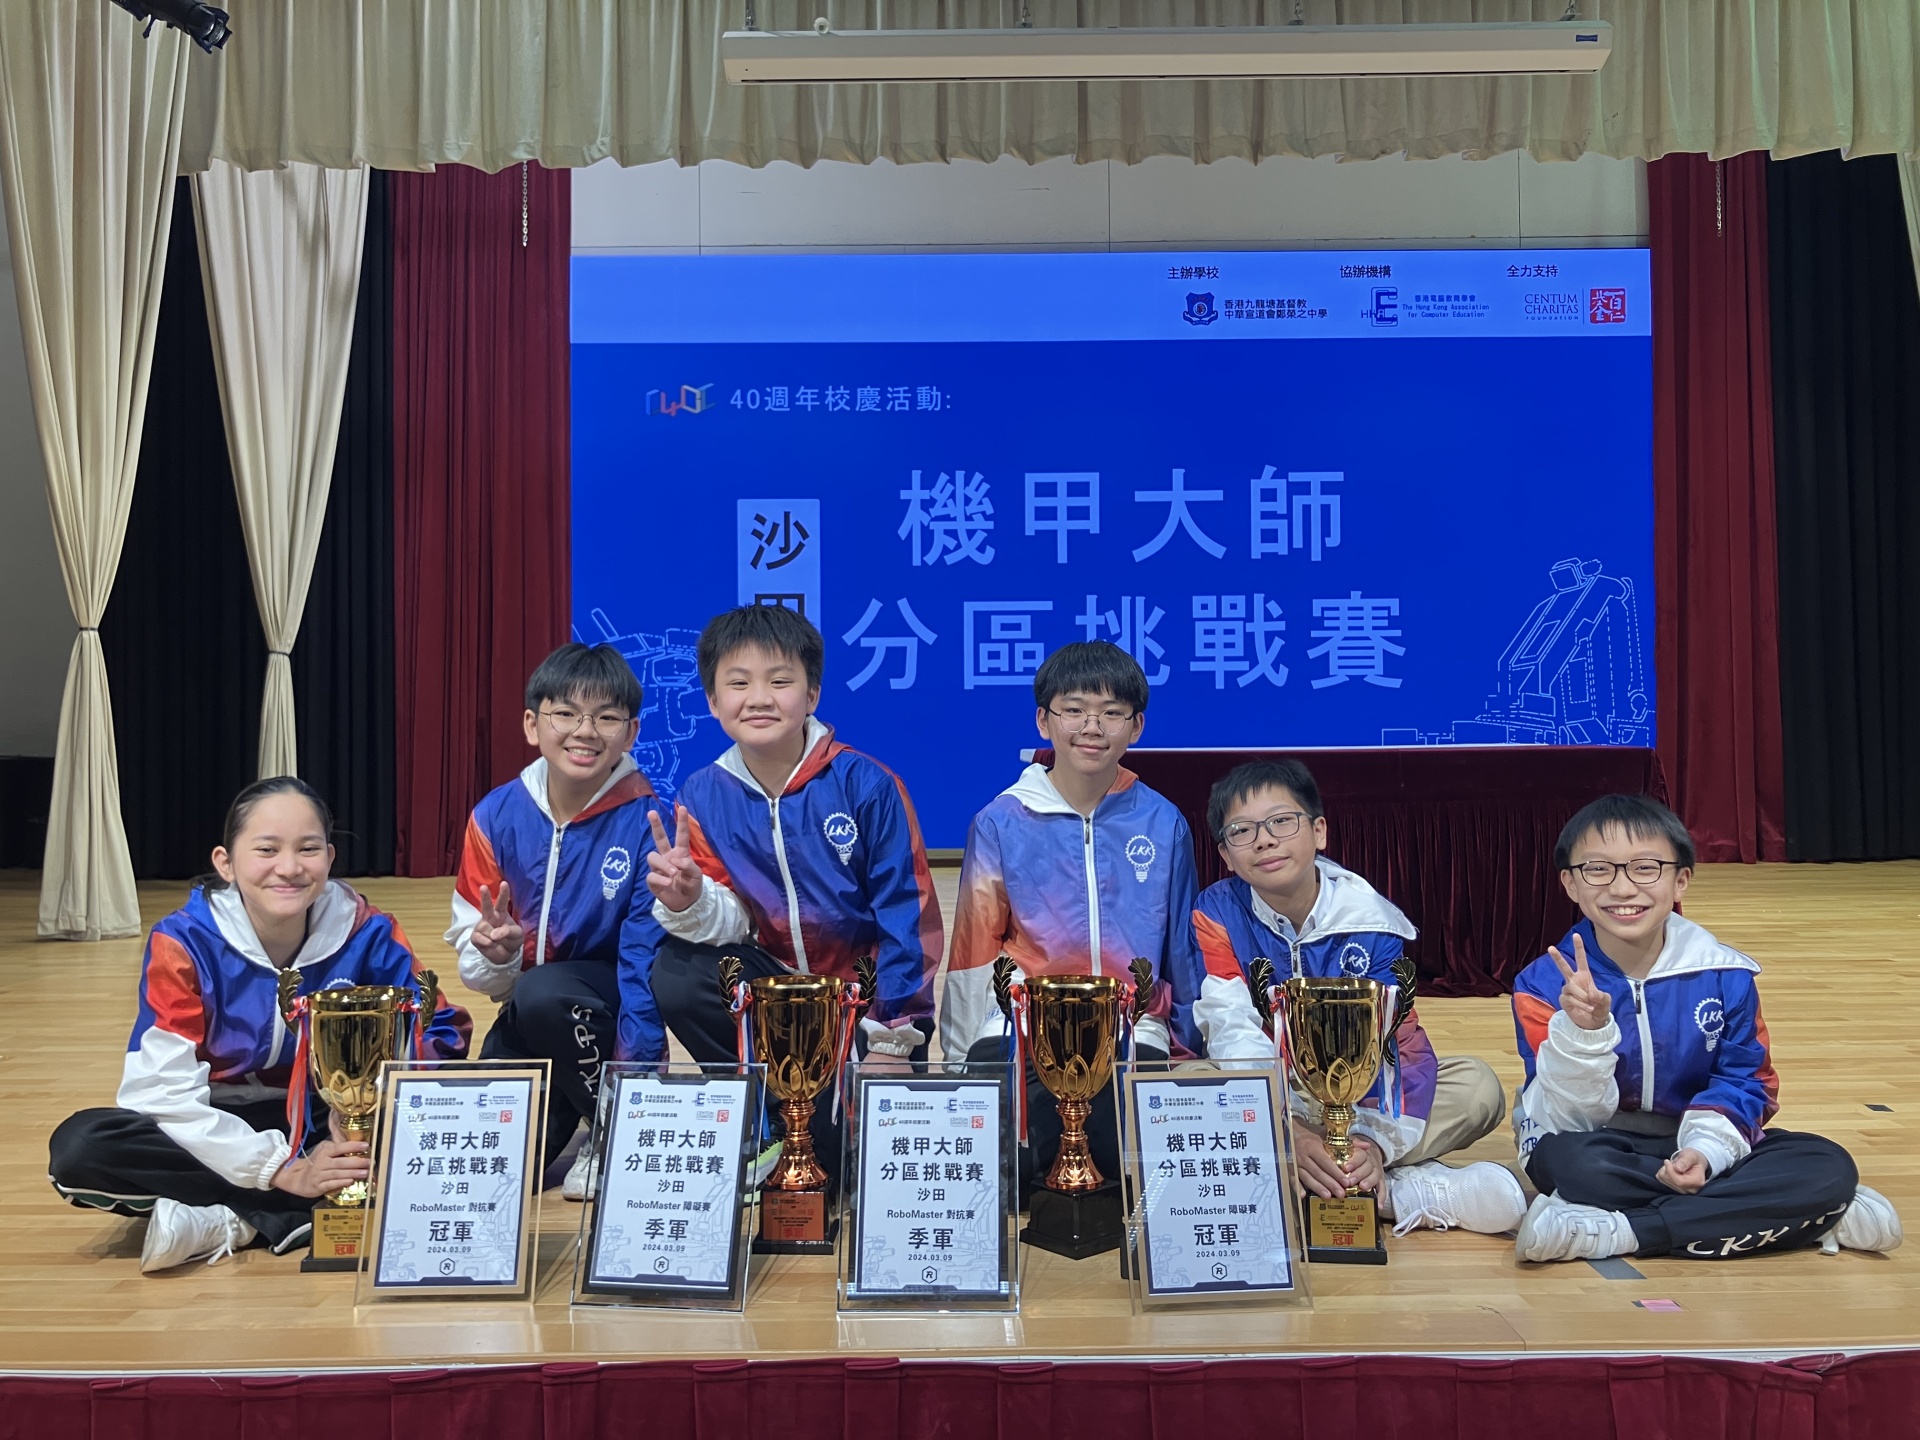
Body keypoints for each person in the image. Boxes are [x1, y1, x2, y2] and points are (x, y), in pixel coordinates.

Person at [48, 777, 471, 1272]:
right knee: (82, 1147)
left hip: (322, 1122)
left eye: (308, 849)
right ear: (225, 862)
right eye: (267, 850)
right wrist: (279, 1169)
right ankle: (278, 1214)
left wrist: (367, 1113)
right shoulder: (184, 942)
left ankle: (230, 1217)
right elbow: (160, 1092)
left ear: (330, 857)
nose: (289, 868)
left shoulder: (369, 934)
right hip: (213, 1121)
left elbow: (441, 1029)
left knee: (457, 1138)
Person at [1511, 793, 1901, 1262]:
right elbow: (1565, 1116)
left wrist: (1705, 1152)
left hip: (1696, 1136)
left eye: (1645, 868)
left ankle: (1623, 1231)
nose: (1622, 888)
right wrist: (1586, 1033)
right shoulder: (1542, 984)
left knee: (1827, 1163)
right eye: (1598, 869)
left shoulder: (1725, 974)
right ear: (1570, 884)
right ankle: (1802, 1217)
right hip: (1602, 1144)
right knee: (1572, 1164)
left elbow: (1746, 1081)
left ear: (1681, 880)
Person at [638, 604, 943, 1177]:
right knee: (677, 971)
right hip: (778, 1001)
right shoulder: (703, 793)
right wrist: (691, 900)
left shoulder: (865, 784)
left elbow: (909, 915)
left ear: (812, 695)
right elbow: (732, 920)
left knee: (846, 1170)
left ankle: (821, 1119)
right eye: (738, 683)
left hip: (863, 1010)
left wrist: (891, 1039)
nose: (759, 699)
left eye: (779, 681)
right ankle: (775, 1119)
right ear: (712, 701)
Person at [1191, 760, 1524, 1236]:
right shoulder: (1216, 912)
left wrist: (1371, 1143)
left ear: (1319, 831)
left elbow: (1398, 1046)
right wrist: (1287, 1132)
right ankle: (1397, 1193)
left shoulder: (1370, 919)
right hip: (1270, 1099)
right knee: (1189, 1086)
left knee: (1478, 1088)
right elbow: (1230, 1027)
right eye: (1242, 831)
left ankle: (1330, 1176)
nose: (1264, 840)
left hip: (1360, 1103)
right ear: (1225, 854)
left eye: (1282, 821)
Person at [941, 641, 1205, 1193]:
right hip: (1025, 1025)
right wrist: (960, 1066)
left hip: (1132, 1025)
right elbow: (973, 950)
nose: (1092, 727)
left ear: (1136, 727)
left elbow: (1181, 948)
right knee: (1004, 1163)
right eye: (1075, 710)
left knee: (1123, 1161)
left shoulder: (1163, 822)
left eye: (1112, 713)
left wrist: (1187, 1054)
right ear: (1044, 720)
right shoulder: (1000, 822)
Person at [446, 642, 668, 1198]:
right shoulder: (495, 816)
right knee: (491, 1166)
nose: (584, 731)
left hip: (610, 1010)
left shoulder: (647, 822)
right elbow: (477, 951)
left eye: (607, 717)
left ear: (631, 733)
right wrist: (500, 958)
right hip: (530, 1009)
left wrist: (636, 1077)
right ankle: (578, 1105)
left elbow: (645, 964)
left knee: (544, 989)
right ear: (532, 724)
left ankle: (613, 1124)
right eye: (565, 713)